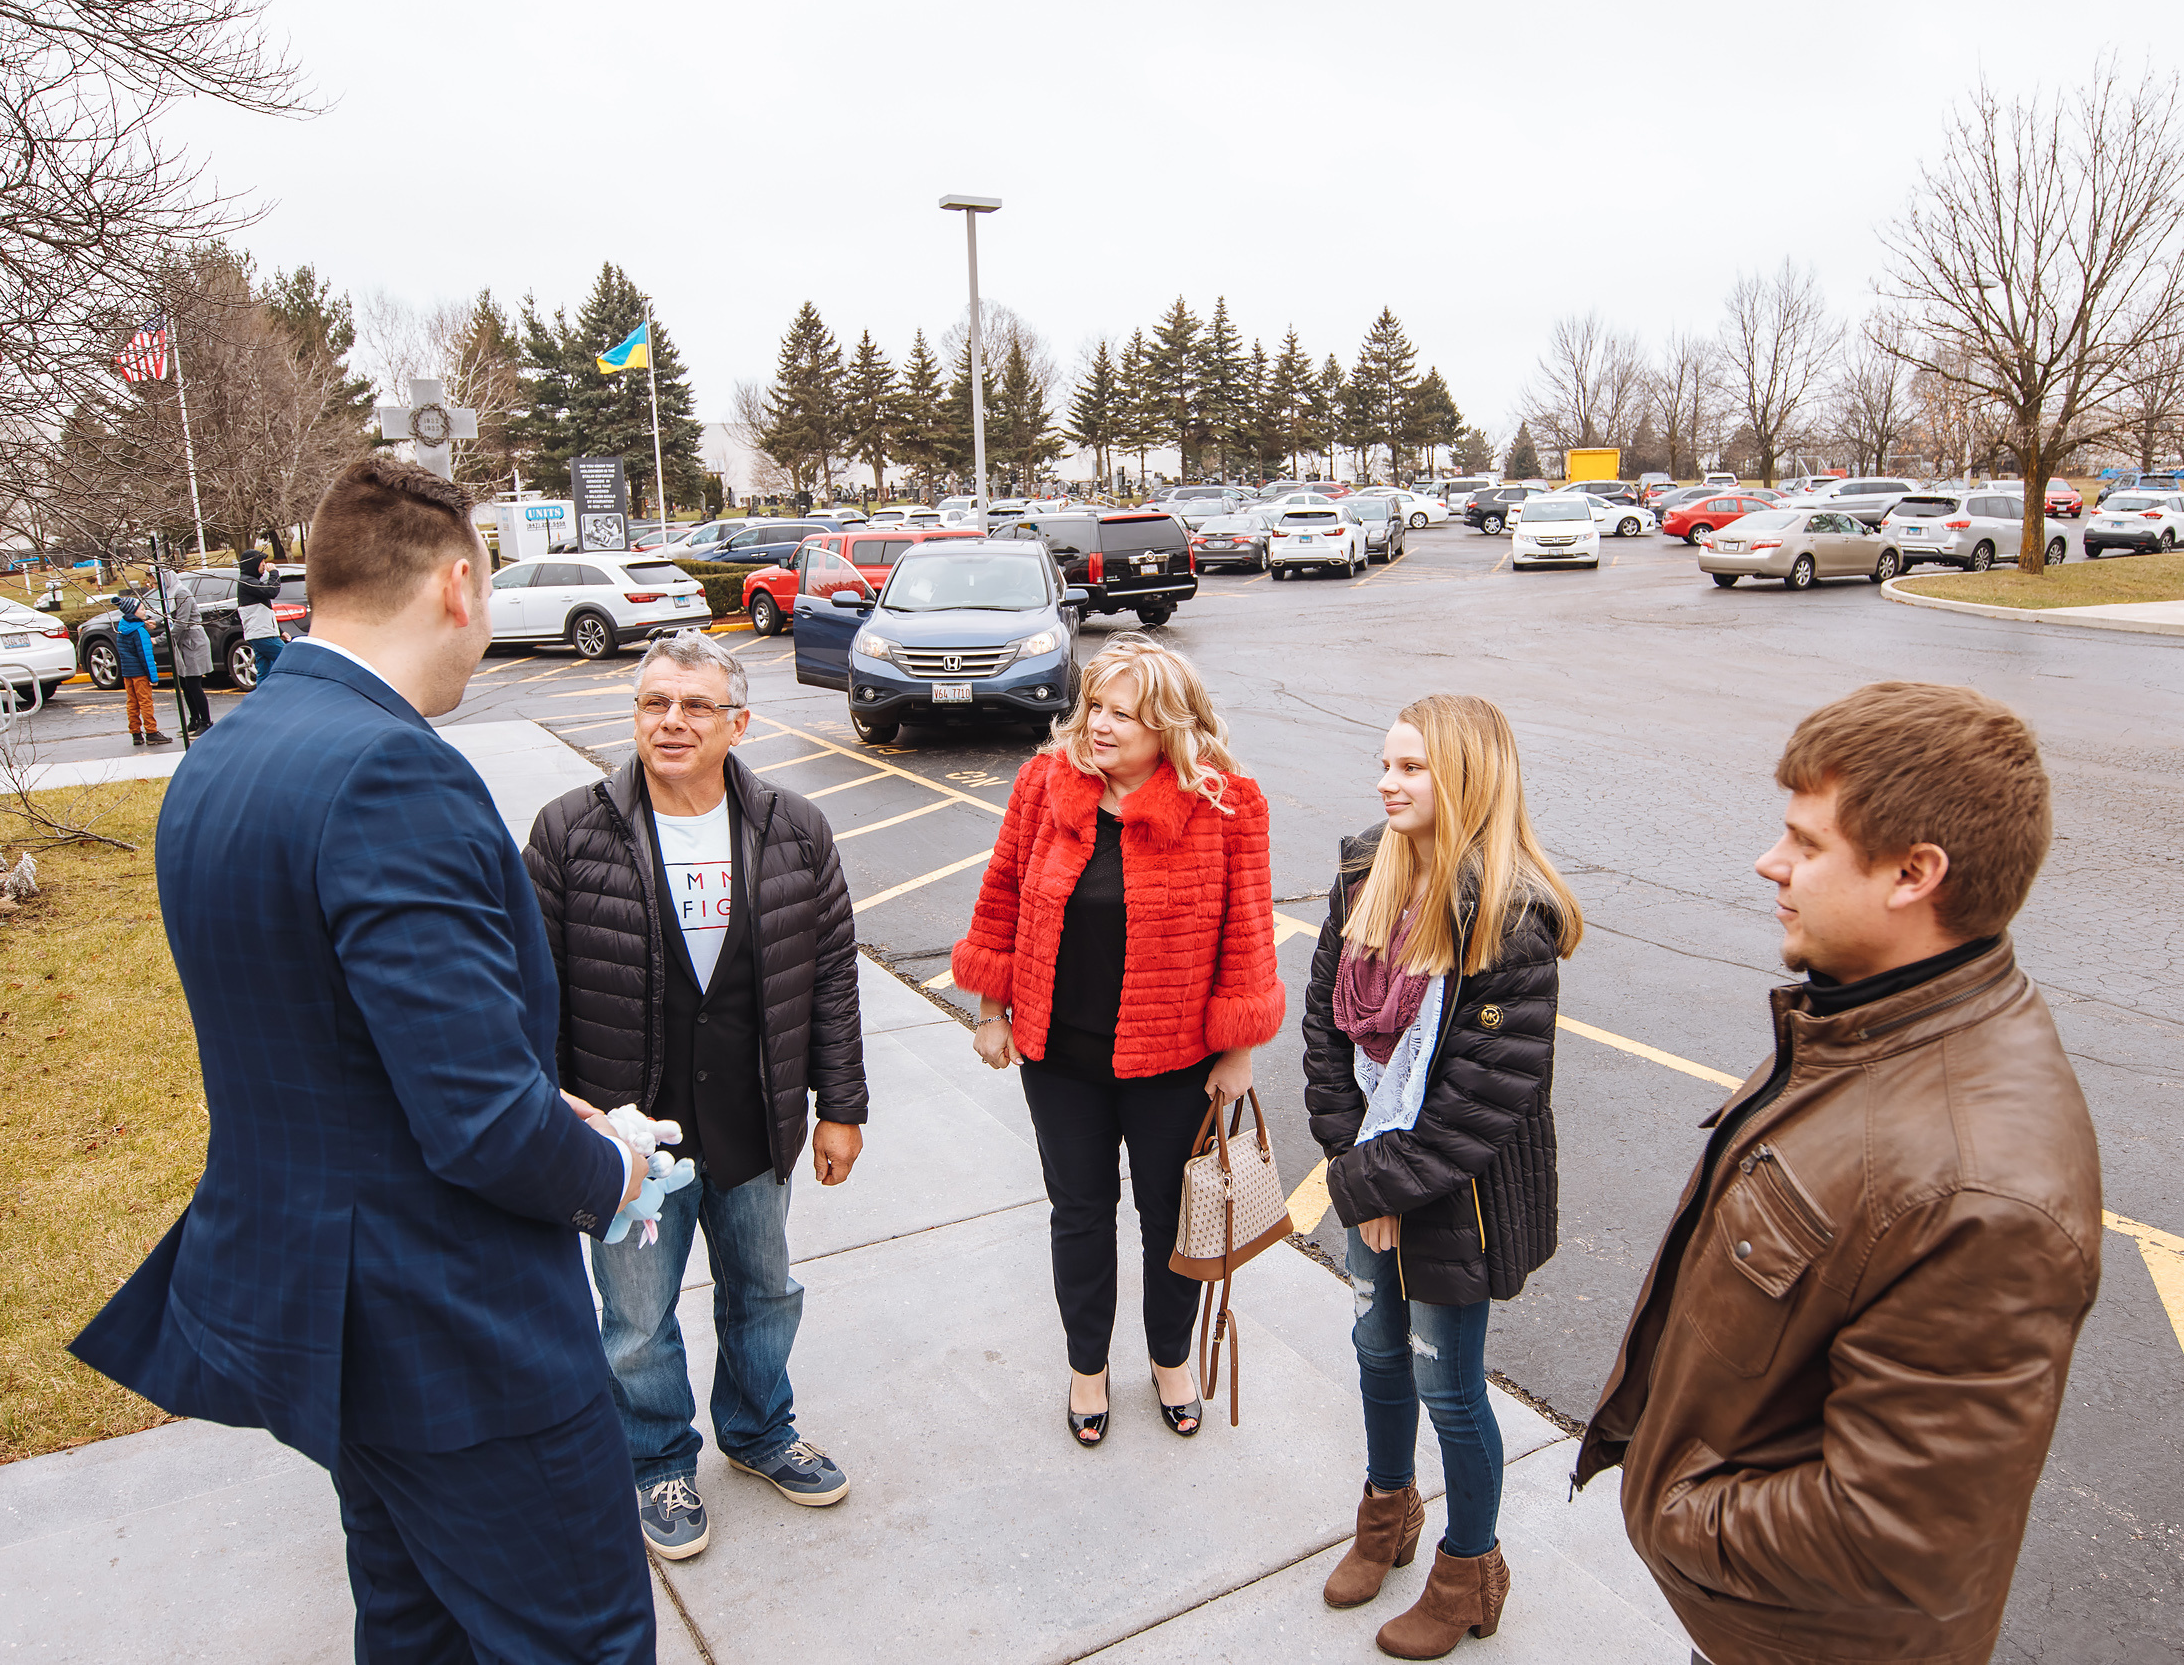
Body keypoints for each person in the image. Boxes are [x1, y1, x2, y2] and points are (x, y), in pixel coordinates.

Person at [71, 456, 661, 1665]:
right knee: (581, 1641)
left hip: (330, 1318)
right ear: (456, 585)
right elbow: (483, 1127)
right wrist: (612, 1172)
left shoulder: (227, 756)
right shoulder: (394, 774)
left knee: (417, 1628)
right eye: (488, 599)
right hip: (451, 1330)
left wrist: (508, 1085)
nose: (485, 629)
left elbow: (323, 1027)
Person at [1573, 682, 2101, 1665]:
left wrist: (1668, 1509)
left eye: (1806, 845)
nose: (1769, 864)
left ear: (1914, 874)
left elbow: (1892, 1533)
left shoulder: (1983, 1194)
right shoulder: (1865, 1019)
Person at [524, 629, 868, 1562]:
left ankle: (759, 1430)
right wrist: (555, 1112)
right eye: (653, 704)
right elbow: (531, 985)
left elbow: (831, 976)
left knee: (764, 1290)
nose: (670, 722)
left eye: (694, 706)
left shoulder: (795, 827)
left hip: (755, 1119)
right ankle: (656, 1462)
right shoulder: (569, 829)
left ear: (738, 722)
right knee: (635, 1318)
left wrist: (842, 1106)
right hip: (629, 1140)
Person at [1300, 694, 1582, 1660]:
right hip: (1370, 1174)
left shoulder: (1511, 923)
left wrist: (1373, 1186)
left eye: (1412, 767)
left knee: (1449, 1386)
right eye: (1386, 763)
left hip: (1451, 1197)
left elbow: (1480, 1102)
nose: (1388, 781)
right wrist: (1350, 1161)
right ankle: (1388, 1512)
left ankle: (1470, 1568)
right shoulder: (1361, 876)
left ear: (1465, 778)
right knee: (1374, 1349)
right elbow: (1324, 1038)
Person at [952, 634, 1283, 1446]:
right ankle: (1087, 1367)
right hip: (1060, 1056)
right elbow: (1003, 895)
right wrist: (992, 1009)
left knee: (1172, 1218)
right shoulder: (1044, 785)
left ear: (1169, 725)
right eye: (1093, 705)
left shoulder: (1227, 803)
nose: (1097, 725)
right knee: (1080, 1212)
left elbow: (1246, 931)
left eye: (1121, 714)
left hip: (1174, 1061)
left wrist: (1236, 1048)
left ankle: (1171, 1359)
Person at [153, 564, 212, 733]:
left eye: (156, 579)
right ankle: (194, 720)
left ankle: (206, 722)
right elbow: (172, 617)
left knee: (194, 684)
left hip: (193, 643)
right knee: (185, 684)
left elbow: (181, 623)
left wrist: (160, 640)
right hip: (184, 644)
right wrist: (156, 623)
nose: (155, 584)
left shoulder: (182, 593)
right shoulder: (171, 594)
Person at [112, 594, 166, 748]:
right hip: (140, 673)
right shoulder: (140, 632)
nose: (144, 612)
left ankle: (136, 733)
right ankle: (151, 732)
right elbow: (146, 656)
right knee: (146, 702)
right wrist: (153, 677)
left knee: (132, 703)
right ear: (133, 612)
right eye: (142, 609)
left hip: (127, 673)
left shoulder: (123, 627)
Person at [235, 548, 285, 683]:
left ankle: (262, 700)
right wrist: (274, 573)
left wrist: (280, 631)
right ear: (253, 564)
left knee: (264, 671)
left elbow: (263, 611)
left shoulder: (251, 582)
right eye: (261, 561)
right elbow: (272, 591)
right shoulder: (247, 582)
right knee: (288, 660)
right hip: (262, 635)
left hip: (260, 634)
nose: (264, 564)